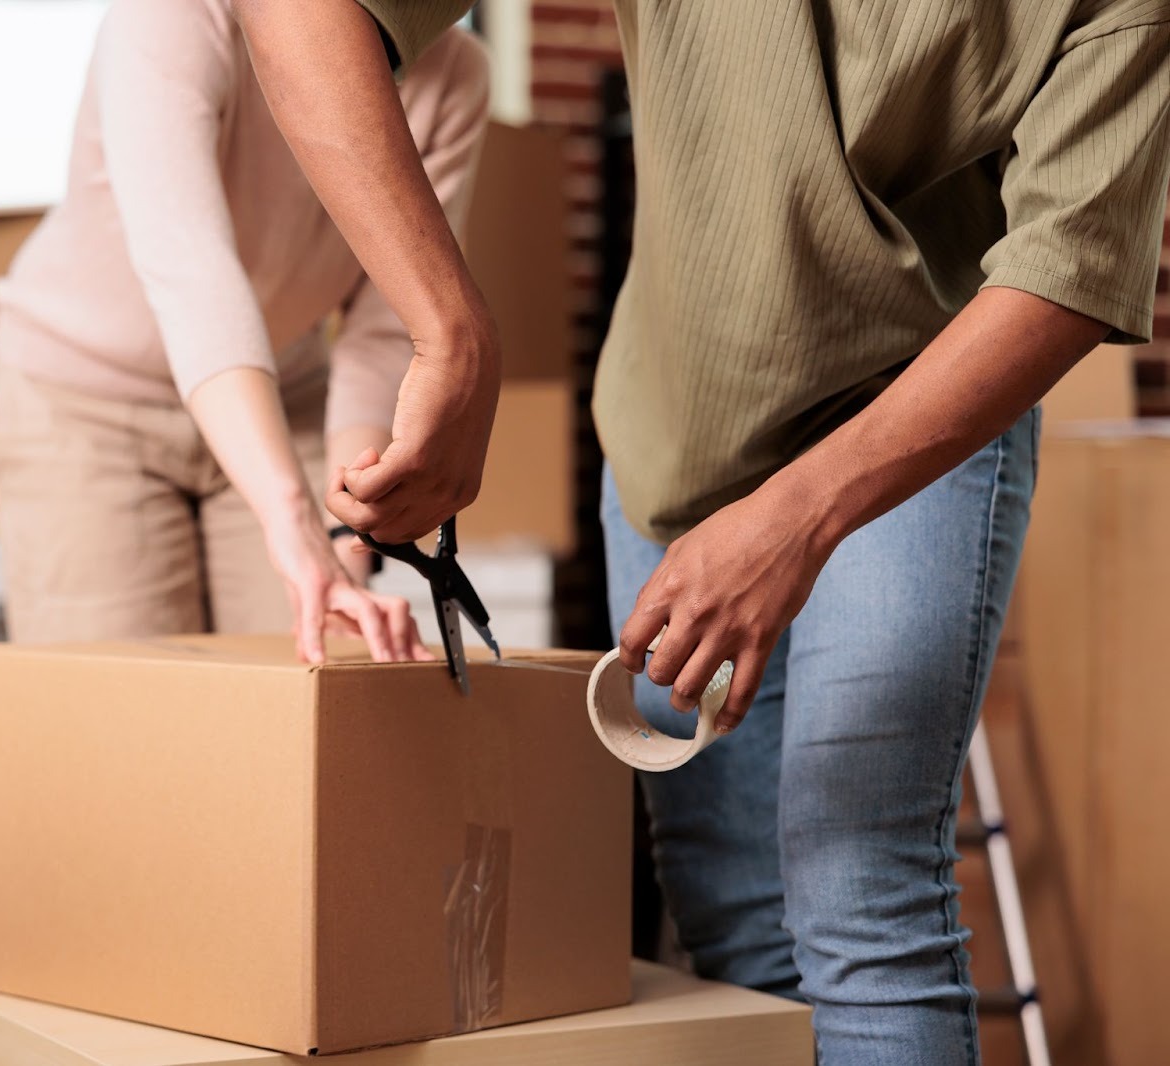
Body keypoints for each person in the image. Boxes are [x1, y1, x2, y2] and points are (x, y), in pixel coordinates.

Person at [227, 1, 1170, 1062]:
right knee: (726, 914)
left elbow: (1070, 259)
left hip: (914, 413)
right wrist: (452, 330)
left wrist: (790, 525)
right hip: (677, 426)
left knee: (859, 895)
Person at [0, 0, 489, 663]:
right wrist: (292, 516)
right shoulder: (173, 15)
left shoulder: (455, 76)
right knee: (120, 718)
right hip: (85, 403)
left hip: (286, 397)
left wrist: (349, 530)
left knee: (311, 671)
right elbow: (189, 268)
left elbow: (389, 327)